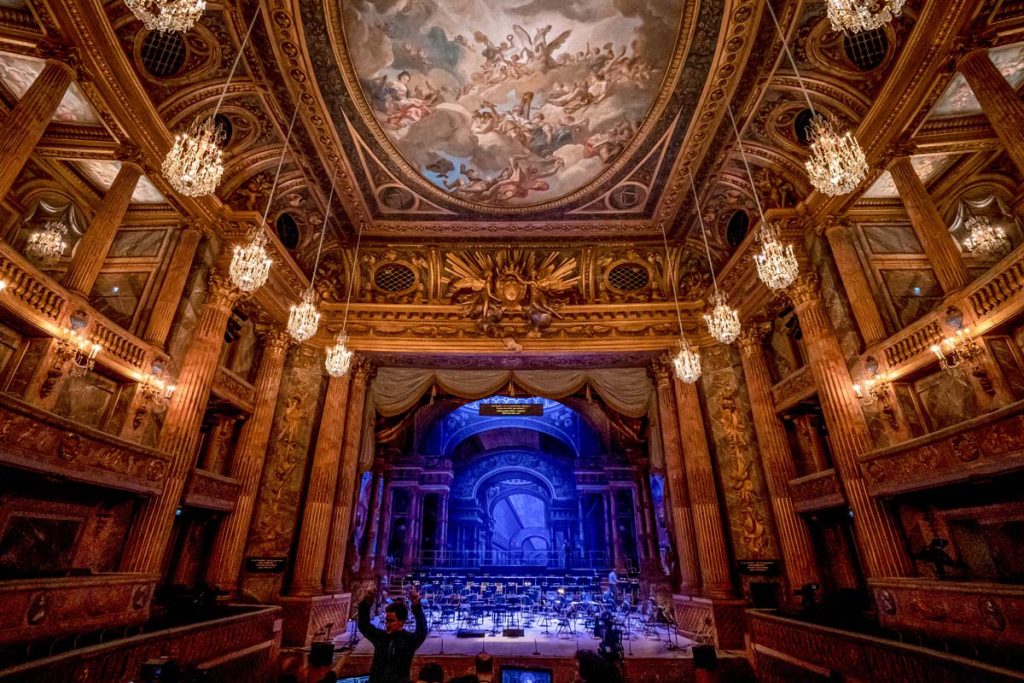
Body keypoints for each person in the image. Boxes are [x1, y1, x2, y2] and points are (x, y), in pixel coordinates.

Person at [358, 586, 428, 683]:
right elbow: (363, 625)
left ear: (402, 622)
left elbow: (422, 631)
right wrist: (367, 601)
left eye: (391, 621)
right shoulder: (380, 637)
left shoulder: (408, 640)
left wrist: (416, 605)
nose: (387, 624)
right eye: (386, 620)